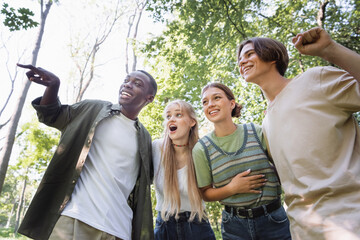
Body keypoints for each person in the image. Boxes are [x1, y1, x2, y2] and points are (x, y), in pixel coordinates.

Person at [237, 27, 360, 240]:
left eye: (249, 54)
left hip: (349, 218)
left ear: (271, 55)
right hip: (303, 229)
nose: (242, 62)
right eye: (240, 59)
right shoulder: (266, 122)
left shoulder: (315, 79)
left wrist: (330, 49)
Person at [16, 64, 157, 240]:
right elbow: (51, 115)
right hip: (75, 218)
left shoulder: (144, 138)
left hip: (119, 229)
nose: (128, 85)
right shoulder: (94, 109)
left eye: (137, 84)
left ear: (149, 98)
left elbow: (149, 180)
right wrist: (53, 86)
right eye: (126, 80)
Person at [192, 82, 291, 240]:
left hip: (273, 220)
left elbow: (284, 167)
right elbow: (205, 193)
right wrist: (232, 188)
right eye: (205, 102)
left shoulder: (256, 131)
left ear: (232, 104)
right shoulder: (201, 149)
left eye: (216, 98)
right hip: (234, 226)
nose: (210, 104)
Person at [152, 99, 216, 240]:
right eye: (168, 116)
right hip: (164, 226)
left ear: (192, 122)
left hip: (197, 225)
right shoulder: (156, 148)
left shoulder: (202, 151)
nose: (171, 120)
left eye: (178, 115)